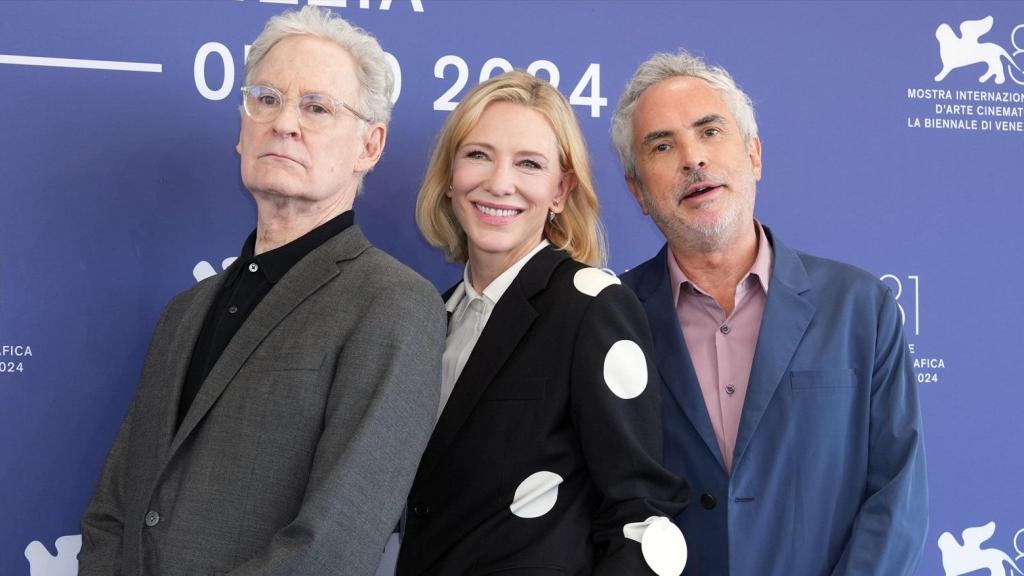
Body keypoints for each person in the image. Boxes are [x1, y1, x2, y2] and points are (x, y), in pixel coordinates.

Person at [79, 7, 445, 575]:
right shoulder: (183, 313)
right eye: (267, 99)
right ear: (242, 127)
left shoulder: (393, 305)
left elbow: (333, 545)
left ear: (369, 146)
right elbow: (113, 514)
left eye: (317, 107)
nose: (284, 123)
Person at [611, 50, 928, 575]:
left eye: (710, 132)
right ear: (638, 191)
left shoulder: (861, 308)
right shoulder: (610, 317)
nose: (693, 159)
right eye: (663, 145)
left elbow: (896, 499)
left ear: (754, 154)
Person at [396, 70, 689, 576]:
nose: (499, 182)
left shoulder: (593, 308)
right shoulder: (431, 317)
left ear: (560, 190)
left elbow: (643, 520)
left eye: (529, 163)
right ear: (449, 177)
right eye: (478, 155)